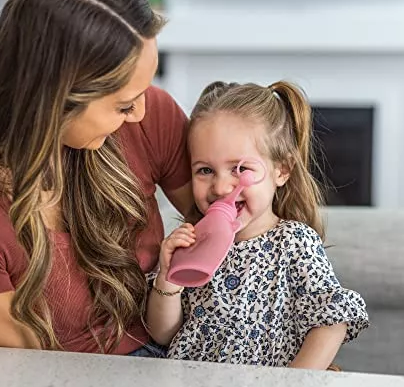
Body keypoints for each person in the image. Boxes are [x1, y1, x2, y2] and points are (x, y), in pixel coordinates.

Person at [0, 0, 193, 356]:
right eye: (123, 104)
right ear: (52, 103)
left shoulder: (150, 115)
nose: (141, 112)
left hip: (185, 352)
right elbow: (25, 381)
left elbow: (244, 227)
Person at [147, 80, 369, 369]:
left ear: (281, 171)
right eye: (205, 170)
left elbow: (331, 322)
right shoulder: (192, 240)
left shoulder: (293, 241)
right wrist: (168, 279)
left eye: (240, 169)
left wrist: (291, 386)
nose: (222, 186)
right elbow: (163, 334)